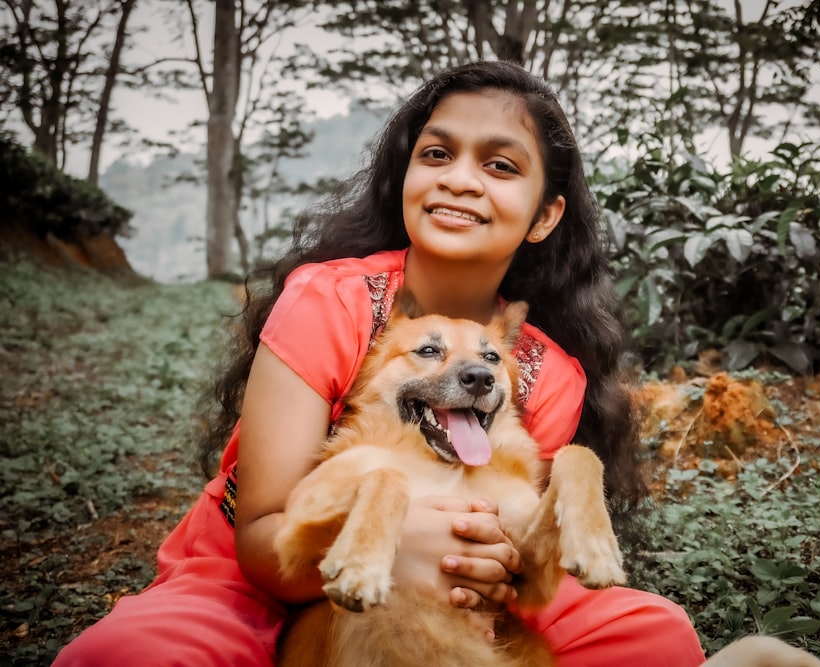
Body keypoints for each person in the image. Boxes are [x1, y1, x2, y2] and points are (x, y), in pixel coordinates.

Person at [53, 61, 706, 666]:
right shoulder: (328, 299)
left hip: (445, 603)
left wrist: (497, 568)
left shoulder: (547, 372)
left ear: (544, 214)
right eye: (437, 153)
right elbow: (260, 540)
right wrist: (392, 543)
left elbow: (514, 554)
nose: (459, 177)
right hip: (266, 581)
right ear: (407, 178)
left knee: (656, 635)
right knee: (128, 652)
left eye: (501, 165)